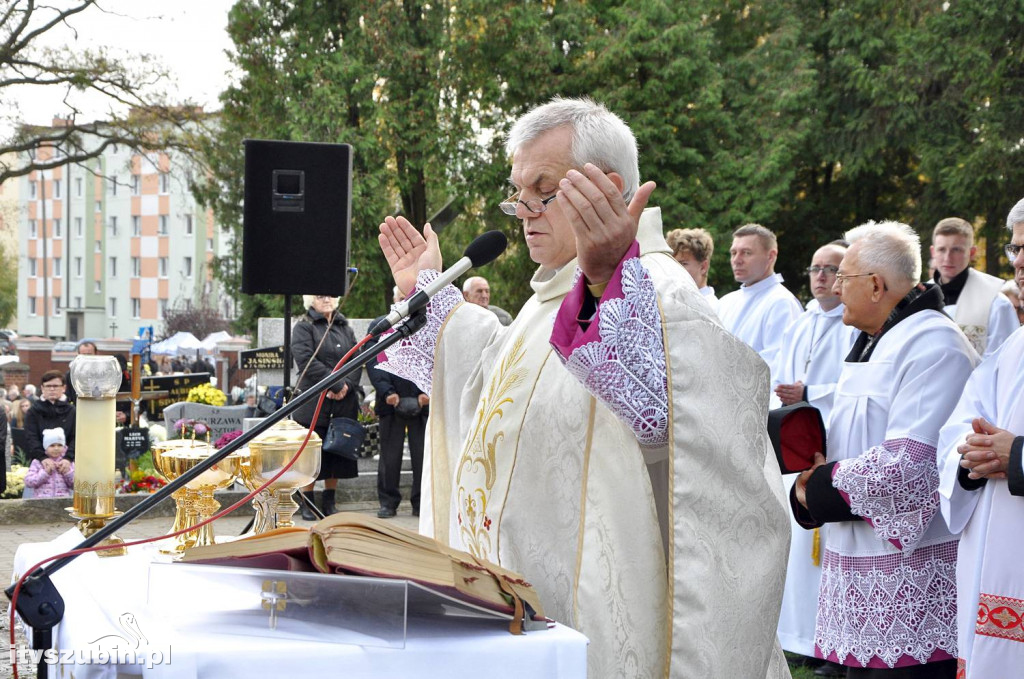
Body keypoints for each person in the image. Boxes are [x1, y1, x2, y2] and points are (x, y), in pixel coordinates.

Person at [376, 97, 790, 678]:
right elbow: (482, 384)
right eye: (516, 194)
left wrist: (606, 286)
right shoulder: (546, 300)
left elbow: (672, 429)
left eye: (541, 192)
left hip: (602, 630)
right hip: (519, 612)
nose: (523, 212)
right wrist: (426, 293)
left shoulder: (662, 294)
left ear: (605, 187)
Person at [792, 221, 977, 678]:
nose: (835, 287)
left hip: (910, 582)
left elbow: (909, 467)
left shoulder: (934, 344)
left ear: (876, 285)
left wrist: (817, 489)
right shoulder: (876, 339)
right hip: (858, 569)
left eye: (844, 278)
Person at [937, 196, 1024, 678]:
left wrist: (1019, 457)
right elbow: (963, 421)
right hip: (995, 545)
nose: (1021, 262)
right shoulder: (1014, 346)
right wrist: (971, 456)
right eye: (1015, 250)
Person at [771, 241, 858, 674]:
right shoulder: (800, 323)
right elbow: (779, 374)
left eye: (832, 269)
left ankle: (827, 641)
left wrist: (810, 394)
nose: (821, 276)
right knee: (798, 546)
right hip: (797, 442)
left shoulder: (855, 324)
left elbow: (853, 387)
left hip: (833, 444)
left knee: (824, 552)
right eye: (816, 268)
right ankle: (799, 636)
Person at [291, 294, 361, 520]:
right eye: (320, 297)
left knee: (337, 452)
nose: (326, 300)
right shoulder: (304, 326)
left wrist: (347, 385)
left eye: (330, 296)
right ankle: (308, 502)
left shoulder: (344, 326)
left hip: (342, 401)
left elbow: (356, 359)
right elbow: (306, 360)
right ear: (310, 301)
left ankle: (330, 500)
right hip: (314, 400)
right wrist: (335, 383)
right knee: (311, 454)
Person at [368, 287, 429, 519]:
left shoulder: (427, 325)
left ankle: (421, 503)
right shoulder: (380, 325)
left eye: (409, 298)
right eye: (401, 298)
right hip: (390, 402)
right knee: (389, 458)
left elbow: (433, 359)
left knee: (422, 456)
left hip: (422, 401)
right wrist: (386, 392)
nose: (405, 302)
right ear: (394, 300)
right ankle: (388, 502)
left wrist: (427, 392)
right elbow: (373, 361)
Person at [718, 223, 803, 369]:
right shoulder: (725, 302)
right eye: (733, 253)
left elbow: (776, 365)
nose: (737, 260)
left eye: (746, 253)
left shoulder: (781, 303)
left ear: (770, 257)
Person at [930, 217, 1018, 356]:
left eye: (956, 250)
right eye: (941, 250)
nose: (948, 258)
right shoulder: (919, 297)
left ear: (971, 253)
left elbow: (1006, 358)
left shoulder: (996, 304)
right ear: (933, 252)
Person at [24, 370, 76, 462]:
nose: (52, 389)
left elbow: (76, 437)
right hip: (40, 462)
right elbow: (31, 437)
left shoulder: (72, 411)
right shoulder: (33, 411)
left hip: (68, 462)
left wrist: (68, 458)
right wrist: (43, 458)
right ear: (42, 388)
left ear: (64, 388)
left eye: (55, 386)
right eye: (48, 386)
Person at [665, 226, 719, 313]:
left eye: (683, 264)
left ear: (703, 267)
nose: (675, 269)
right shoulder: (669, 303)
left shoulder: (712, 309)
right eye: (673, 263)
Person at [23, 427, 74, 498]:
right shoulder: (38, 462)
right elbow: (28, 482)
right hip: (41, 502)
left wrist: (67, 472)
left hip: (62, 502)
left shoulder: (67, 463)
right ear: (46, 446)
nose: (56, 448)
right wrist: (45, 473)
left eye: (60, 445)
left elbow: (75, 485)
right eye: (52, 445)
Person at [64, 340, 97, 405]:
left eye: (89, 354)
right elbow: (68, 395)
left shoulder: (102, 373)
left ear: (95, 354)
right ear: (78, 355)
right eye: (83, 354)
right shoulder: (70, 374)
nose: (86, 357)